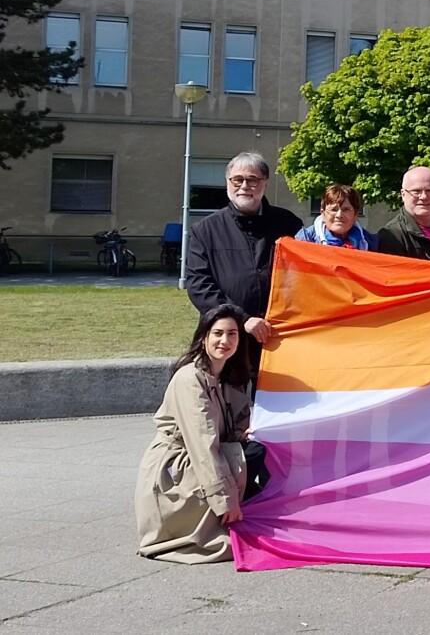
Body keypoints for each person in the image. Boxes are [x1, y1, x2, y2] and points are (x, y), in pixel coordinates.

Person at [136, 304, 267, 564]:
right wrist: (225, 500)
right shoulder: (190, 379)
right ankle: (219, 518)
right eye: (218, 333)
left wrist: (243, 433)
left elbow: (233, 429)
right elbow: (202, 445)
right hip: (177, 468)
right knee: (249, 457)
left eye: (232, 334)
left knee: (260, 451)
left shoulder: (230, 377)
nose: (224, 341)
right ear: (204, 337)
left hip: (209, 458)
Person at [185, 152, 304, 372]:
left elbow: (304, 275)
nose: (244, 186)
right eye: (237, 180)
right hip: (227, 338)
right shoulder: (206, 230)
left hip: (278, 334)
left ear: (265, 184)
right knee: (227, 391)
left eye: (253, 180)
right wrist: (241, 319)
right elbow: (198, 285)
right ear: (227, 183)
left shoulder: (288, 224)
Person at [294, 184, 378, 250]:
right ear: (323, 213)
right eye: (334, 210)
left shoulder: (370, 243)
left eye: (346, 210)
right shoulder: (304, 240)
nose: (339, 215)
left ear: (355, 214)